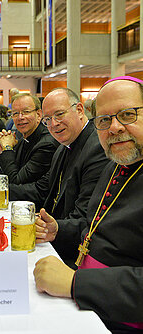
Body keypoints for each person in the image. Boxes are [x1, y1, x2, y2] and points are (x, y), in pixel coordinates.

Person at [34, 76, 143, 332]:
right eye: (104, 120)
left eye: (127, 114)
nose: (114, 128)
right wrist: (58, 231)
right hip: (86, 297)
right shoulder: (116, 164)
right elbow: (95, 226)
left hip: (119, 318)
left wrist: (76, 282)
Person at [0, 88, 109, 264]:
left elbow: (86, 218)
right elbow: (42, 189)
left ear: (80, 110)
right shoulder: (63, 146)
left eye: (59, 114)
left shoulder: (96, 148)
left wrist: (54, 227)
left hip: (74, 252)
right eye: (48, 120)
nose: (53, 124)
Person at [0, 93, 59, 184]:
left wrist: (7, 149)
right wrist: (2, 150)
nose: (20, 117)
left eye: (26, 112)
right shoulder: (23, 139)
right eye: (15, 113)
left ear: (39, 115)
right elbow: (6, 175)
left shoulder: (46, 144)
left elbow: (16, 182)